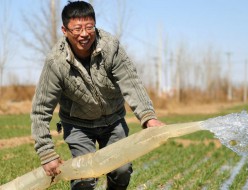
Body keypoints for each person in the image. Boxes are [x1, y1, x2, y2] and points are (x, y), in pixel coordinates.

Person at [31, 1, 164, 189]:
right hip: (78, 126)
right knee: (83, 179)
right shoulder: (56, 62)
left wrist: (148, 117)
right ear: (64, 30)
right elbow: (40, 110)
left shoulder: (110, 47)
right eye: (77, 29)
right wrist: (46, 153)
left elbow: (131, 83)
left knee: (121, 170)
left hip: (113, 120)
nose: (84, 34)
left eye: (89, 27)